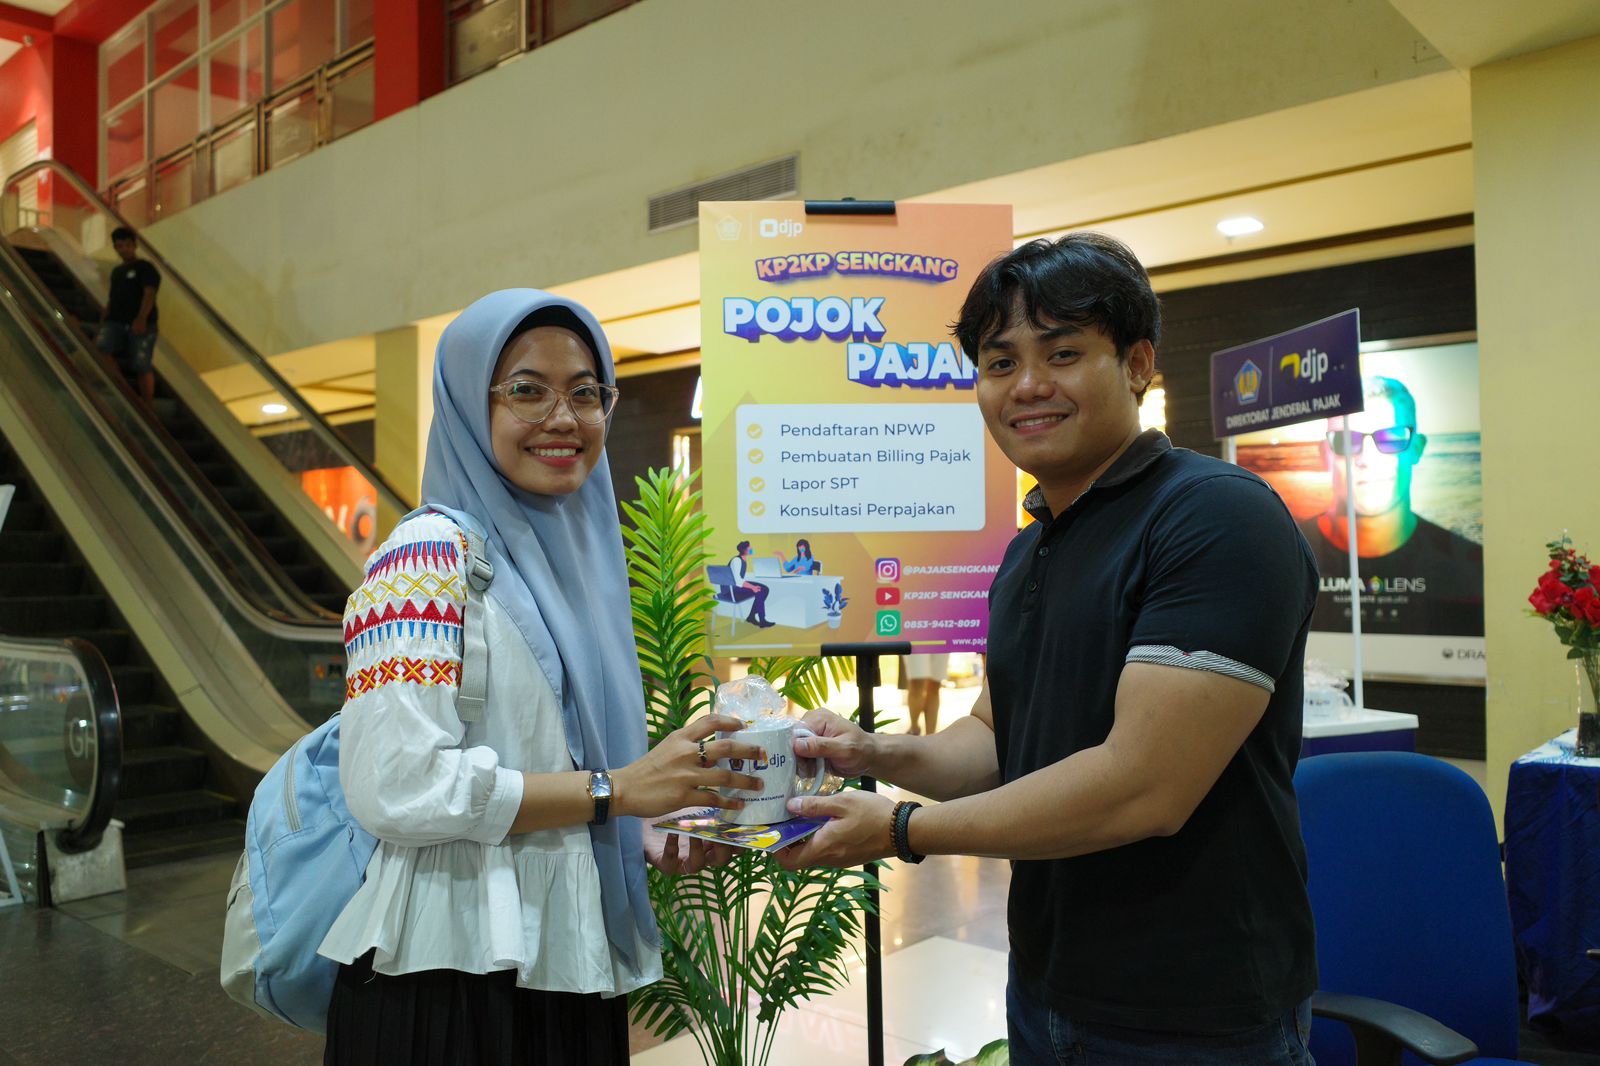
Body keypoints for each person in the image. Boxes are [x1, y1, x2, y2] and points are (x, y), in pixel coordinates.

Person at [781, 233, 1318, 1064]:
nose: (1028, 386)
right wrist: (869, 752)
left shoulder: (1215, 516)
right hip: (1045, 988)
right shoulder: (1031, 547)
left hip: (1197, 1011)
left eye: (1062, 354)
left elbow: (1145, 787)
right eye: (1000, 363)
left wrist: (902, 828)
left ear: (1137, 364)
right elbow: (996, 741)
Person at [317, 290, 765, 1065]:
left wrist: (639, 826)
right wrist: (614, 792)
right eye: (527, 390)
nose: (564, 418)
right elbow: (394, 784)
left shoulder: (577, 562)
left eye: (586, 393)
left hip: (569, 967)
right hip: (450, 981)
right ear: (470, 403)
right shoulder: (427, 559)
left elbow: (548, 755)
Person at [1298, 374, 1482, 636]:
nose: (1366, 459)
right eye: (1346, 441)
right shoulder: (1287, 557)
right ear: (1324, 454)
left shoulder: (1468, 568)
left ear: (1416, 448)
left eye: (1392, 438)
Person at [95, 225, 160, 404]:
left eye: (127, 245)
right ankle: (125, 391)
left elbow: (149, 293)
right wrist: (103, 321)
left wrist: (142, 318)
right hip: (116, 321)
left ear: (134, 245)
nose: (123, 249)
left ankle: (147, 406)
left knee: (141, 364)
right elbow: (112, 298)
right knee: (101, 348)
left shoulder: (145, 267)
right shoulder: (117, 272)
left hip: (140, 323)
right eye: (119, 246)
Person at [727, 540, 774, 627]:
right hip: (732, 588)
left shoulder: (743, 559)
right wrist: (752, 587)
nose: (751, 548)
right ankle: (762, 620)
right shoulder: (736, 560)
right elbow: (737, 580)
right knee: (759, 591)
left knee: (765, 589)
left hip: (737, 585)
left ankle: (751, 616)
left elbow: (739, 579)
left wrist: (752, 586)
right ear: (744, 550)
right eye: (750, 548)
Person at [902, 653, 948, 736]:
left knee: (935, 684)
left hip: (941, 644)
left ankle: (930, 736)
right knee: (917, 682)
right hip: (917, 644)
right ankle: (914, 729)